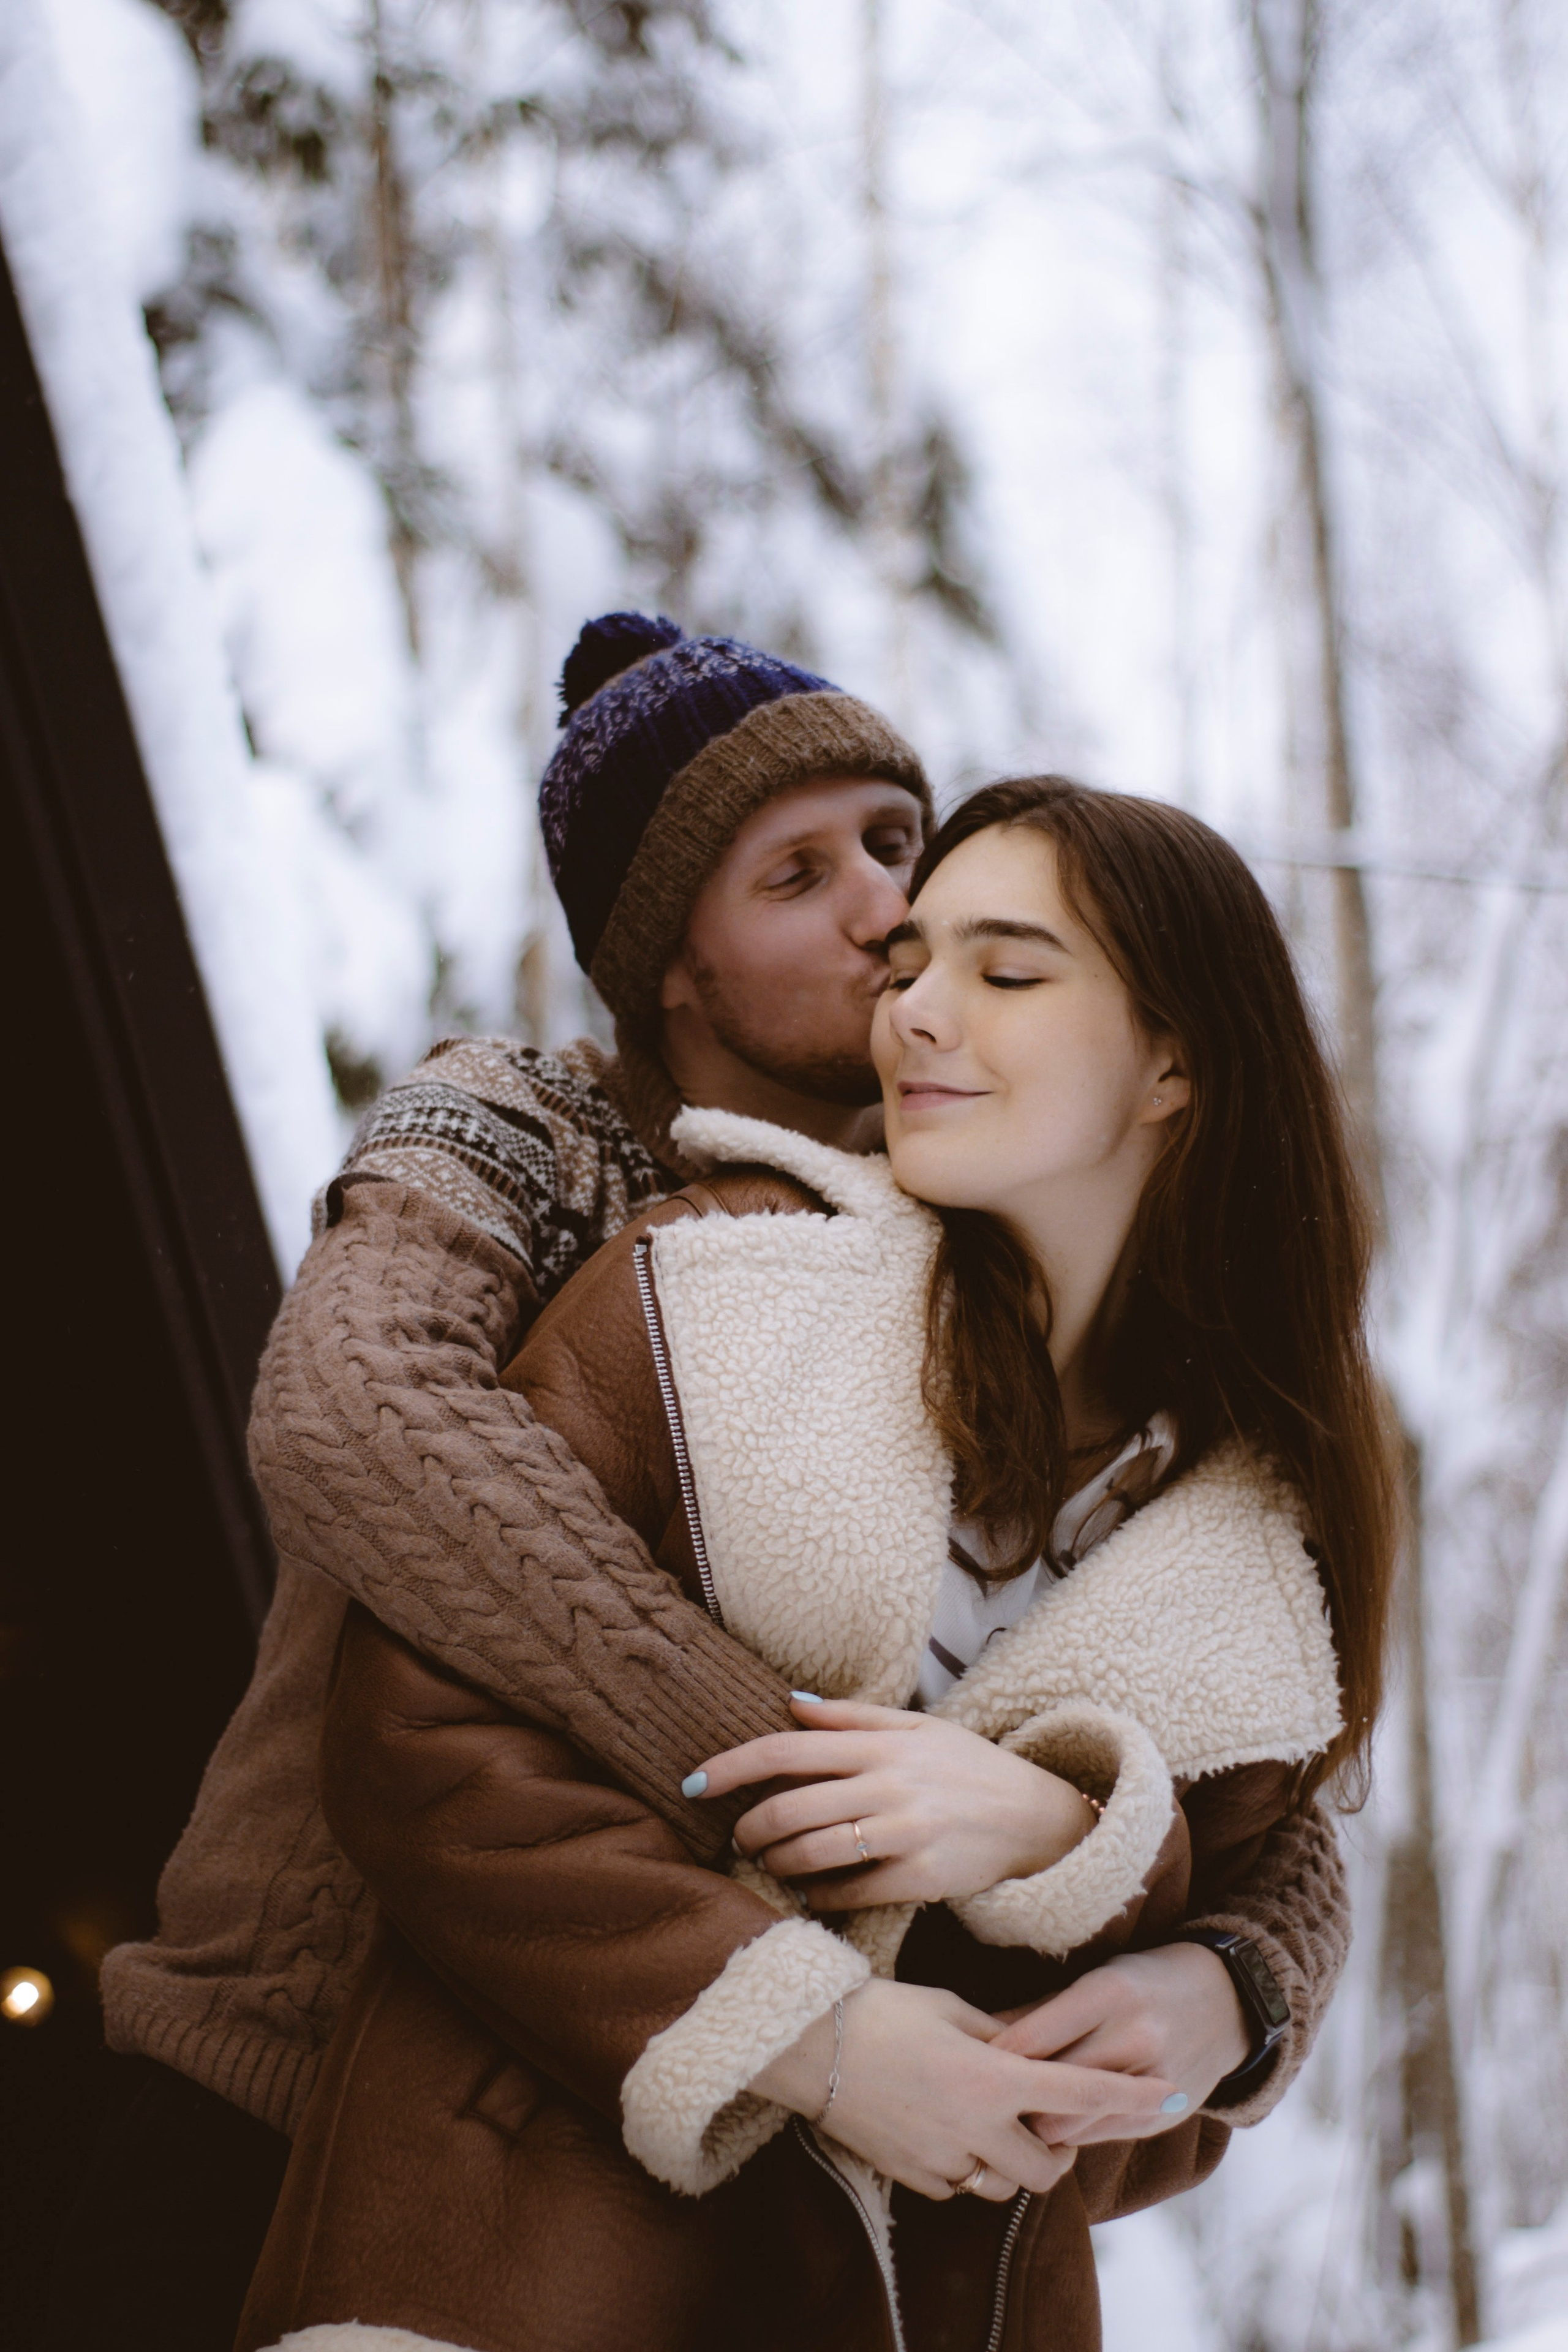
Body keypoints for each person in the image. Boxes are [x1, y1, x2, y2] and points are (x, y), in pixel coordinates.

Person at [65, 620, 1349, 2348]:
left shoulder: (962, 1251)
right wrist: (796, 1772)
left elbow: (1222, 1724)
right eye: (798, 876)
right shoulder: (529, 1128)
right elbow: (355, 1412)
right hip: (292, 2063)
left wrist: (1231, 1976)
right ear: (674, 962)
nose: (884, 911)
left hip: (689, 2142)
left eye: (896, 842)